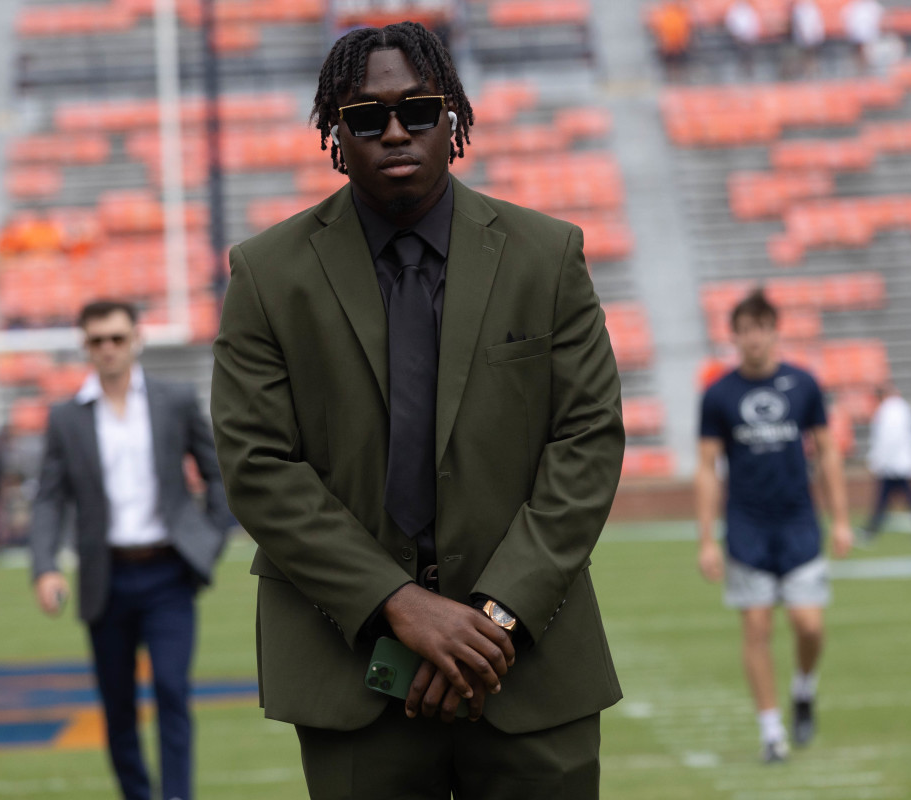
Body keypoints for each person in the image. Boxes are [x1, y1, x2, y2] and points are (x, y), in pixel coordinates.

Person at [210, 23, 625, 799]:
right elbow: (258, 467)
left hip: (527, 664)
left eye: (419, 110)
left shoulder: (548, 255)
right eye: (366, 116)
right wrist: (397, 606)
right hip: (353, 672)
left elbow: (588, 443)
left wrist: (491, 621)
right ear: (335, 130)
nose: (395, 130)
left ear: (454, 118)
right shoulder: (266, 277)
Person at [29, 300, 235, 800]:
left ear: (136, 339)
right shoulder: (66, 417)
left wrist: (206, 543)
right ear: (85, 345)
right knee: (118, 707)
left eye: (117, 338)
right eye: (97, 340)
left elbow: (218, 473)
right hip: (107, 576)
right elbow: (49, 499)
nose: (108, 349)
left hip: (168, 572)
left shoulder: (174, 398)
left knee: (171, 690)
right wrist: (45, 566)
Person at [695, 289, 853, 763]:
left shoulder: (804, 385)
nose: (753, 338)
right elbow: (706, 467)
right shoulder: (718, 394)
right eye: (744, 329)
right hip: (746, 525)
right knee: (757, 627)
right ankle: (771, 732)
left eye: (761, 328)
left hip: (799, 520)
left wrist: (841, 519)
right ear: (735, 335)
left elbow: (827, 453)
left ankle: (803, 687)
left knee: (808, 624)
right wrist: (706, 538)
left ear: (774, 331)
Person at [862, 383, 911, 541]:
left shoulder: (891, 409)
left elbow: (889, 439)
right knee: (889, 499)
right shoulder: (898, 408)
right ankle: (872, 529)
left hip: (894, 464)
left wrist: (878, 461)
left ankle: (872, 530)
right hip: (898, 463)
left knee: (894, 498)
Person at [842, 0, 883, 73]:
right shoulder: (854, 5)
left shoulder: (872, 5)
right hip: (857, 35)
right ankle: (860, 71)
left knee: (869, 54)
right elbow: (846, 17)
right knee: (859, 55)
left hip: (870, 36)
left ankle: (869, 71)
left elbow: (880, 18)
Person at [787, 0, 824, 78]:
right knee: (805, 56)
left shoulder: (812, 7)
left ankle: (812, 73)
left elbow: (816, 23)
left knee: (811, 56)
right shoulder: (800, 9)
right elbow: (798, 24)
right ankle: (806, 73)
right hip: (803, 38)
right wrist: (803, 36)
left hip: (811, 37)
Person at [725, 0, 762, 77]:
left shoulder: (750, 9)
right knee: (742, 50)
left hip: (749, 38)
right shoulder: (734, 10)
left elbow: (754, 23)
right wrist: (737, 35)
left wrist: (751, 35)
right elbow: (731, 23)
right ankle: (741, 70)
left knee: (748, 51)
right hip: (737, 38)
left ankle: (749, 70)